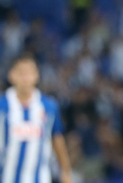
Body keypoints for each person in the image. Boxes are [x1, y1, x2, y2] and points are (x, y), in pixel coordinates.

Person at [0, 53, 73, 183]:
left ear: (37, 75)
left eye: (29, 72)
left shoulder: (49, 106)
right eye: (21, 72)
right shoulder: (3, 106)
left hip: (40, 178)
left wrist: (66, 171)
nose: (25, 77)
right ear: (11, 75)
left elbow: (57, 139)